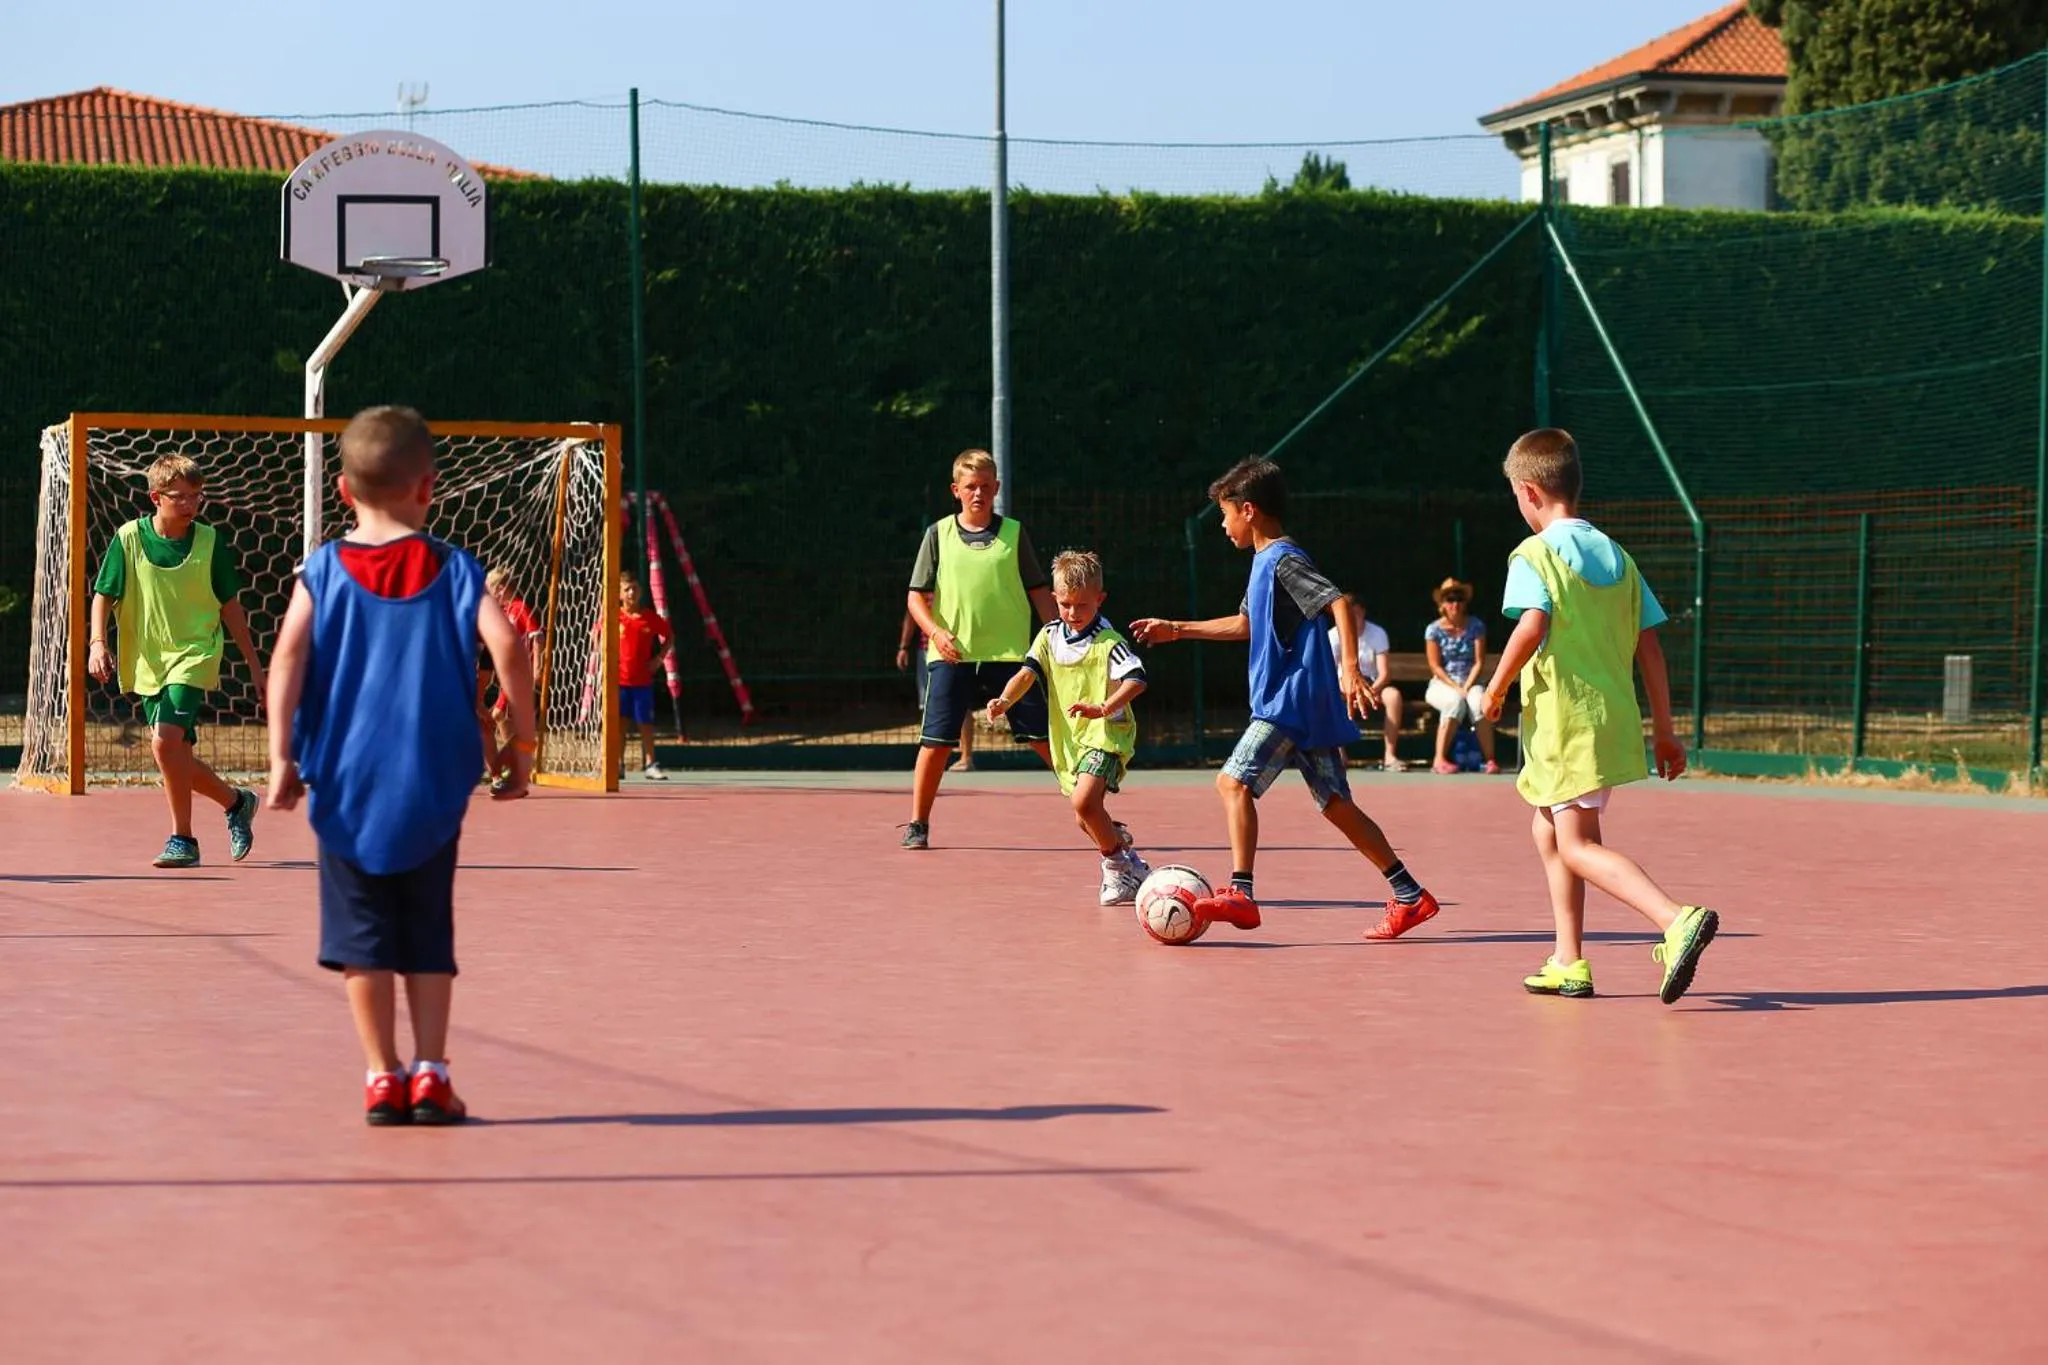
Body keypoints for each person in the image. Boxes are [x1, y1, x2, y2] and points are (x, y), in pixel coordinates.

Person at [265, 405, 537, 1124]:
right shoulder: (455, 568)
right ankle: (432, 1072)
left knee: (362, 940)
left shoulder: (321, 569)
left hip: (346, 785)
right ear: (428, 487)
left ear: (345, 493)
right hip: (431, 785)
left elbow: (288, 657)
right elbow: (508, 647)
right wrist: (522, 745)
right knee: (427, 933)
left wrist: (280, 754)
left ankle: (381, 1074)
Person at [1132, 457, 1441, 941]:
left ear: (1249, 510)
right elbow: (1247, 624)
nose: (1222, 523)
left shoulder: (1283, 558)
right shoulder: (1264, 564)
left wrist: (1350, 668)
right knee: (1337, 804)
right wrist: (1177, 629)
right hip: (1301, 705)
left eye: (1226, 513)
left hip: (1288, 701)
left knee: (1232, 783)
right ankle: (1410, 895)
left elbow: (1336, 601)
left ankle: (1241, 892)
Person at [1479, 428, 1719, 1004]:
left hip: (1566, 723)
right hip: (1610, 720)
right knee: (1549, 827)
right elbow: (1650, 648)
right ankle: (1568, 960)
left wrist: (1496, 685)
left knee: (1578, 845)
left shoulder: (1531, 554)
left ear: (1530, 493)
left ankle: (1675, 918)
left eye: (1515, 494)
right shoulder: (1619, 556)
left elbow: (1531, 625)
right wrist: (1664, 731)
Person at [87, 453, 265, 868]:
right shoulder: (129, 538)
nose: (189, 504)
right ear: (156, 497)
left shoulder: (209, 541)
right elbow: (103, 595)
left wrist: (256, 666)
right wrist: (98, 642)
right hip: (149, 660)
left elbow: (231, 607)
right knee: (174, 751)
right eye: (179, 497)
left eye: (196, 496)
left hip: (195, 652)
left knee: (164, 741)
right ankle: (237, 802)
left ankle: (182, 838)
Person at [901, 448, 1056, 849]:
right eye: (970, 486)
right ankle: (918, 823)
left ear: (997, 488)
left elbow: (1040, 592)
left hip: (1010, 658)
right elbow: (916, 597)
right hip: (952, 657)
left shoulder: (1014, 534)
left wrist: (1061, 638)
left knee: (1045, 739)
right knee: (935, 744)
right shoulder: (938, 534)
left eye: (986, 486)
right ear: (956, 490)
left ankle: (1092, 809)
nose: (978, 494)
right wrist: (936, 633)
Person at [987, 550, 1152, 905]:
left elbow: (1137, 679)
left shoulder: (1109, 642)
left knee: (1083, 802)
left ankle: (1116, 869)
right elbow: (1027, 672)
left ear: (1100, 600)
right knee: (1085, 816)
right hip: (1071, 742)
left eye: (1082, 606)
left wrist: (1105, 706)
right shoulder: (1049, 636)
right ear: (1054, 600)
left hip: (1107, 735)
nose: (1073, 613)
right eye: (1065, 605)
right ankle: (1132, 863)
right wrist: (1004, 701)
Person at [1424, 577, 1498, 775]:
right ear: (1442, 604)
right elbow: (1435, 666)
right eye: (1449, 599)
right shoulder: (1433, 630)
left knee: (1479, 704)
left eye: (1459, 598)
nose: (1454, 603)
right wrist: (1457, 688)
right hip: (1442, 684)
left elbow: (1479, 662)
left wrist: (1467, 686)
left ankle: (1490, 760)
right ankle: (1439, 760)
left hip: (1472, 681)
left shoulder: (1476, 626)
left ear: (1465, 602)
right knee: (1454, 702)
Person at [1330, 594, 1404, 771]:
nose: (1352, 618)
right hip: (1343, 685)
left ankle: (1390, 755)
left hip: (1372, 684)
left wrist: (1369, 691)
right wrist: (1349, 691)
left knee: (1393, 696)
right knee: (1329, 697)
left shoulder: (1377, 633)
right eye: (1347, 614)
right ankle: (1339, 755)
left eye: (1355, 613)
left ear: (1363, 612)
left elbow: (1384, 673)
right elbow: (1330, 673)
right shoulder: (1333, 635)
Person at [480, 568, 540, 785]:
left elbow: (537, 636)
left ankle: (514, 762)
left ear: (500, 588)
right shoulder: (501, 612)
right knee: (496, 717)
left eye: (490, 587)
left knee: (495, 715)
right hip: (509, 674)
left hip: (519, 673)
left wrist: (538, 667)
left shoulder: (519, 608)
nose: (488, 591)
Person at [896, 610, 976, 765]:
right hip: (934, 650)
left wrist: (904, 647)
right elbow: (912, 613)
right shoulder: (922, 591)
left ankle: (965, 757)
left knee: (958, 703)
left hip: (952, 649)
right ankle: (932, 759)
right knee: (931, 706)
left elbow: (912, 613)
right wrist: (904, 647)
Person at [619, 572, 675, 779]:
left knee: (645, 724)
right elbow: (597, 637)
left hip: (642, 683)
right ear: (620, 594)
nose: (632, 592)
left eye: (635, 588)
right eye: (627, 589)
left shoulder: (649, 617)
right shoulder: (612, 616)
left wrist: (659, 659)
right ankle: (618, 765)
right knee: (619, 724)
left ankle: (650, 764)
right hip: (618, 682)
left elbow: (669, 636)